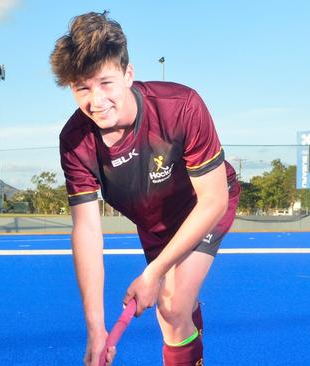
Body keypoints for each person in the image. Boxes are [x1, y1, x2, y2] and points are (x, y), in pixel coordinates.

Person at [50, 11, 240, 366]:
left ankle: (183, 316)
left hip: (206, 203)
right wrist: (96, 329)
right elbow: (88, 230)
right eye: (82, 88)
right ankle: (188, 323)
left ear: (128, 74)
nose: (97, 100)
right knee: (177, 309)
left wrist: (153, 274)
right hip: (155, 222)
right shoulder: (75, 142)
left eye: (106, 82)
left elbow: (213, 199)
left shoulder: (180, 107)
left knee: (170, 307)